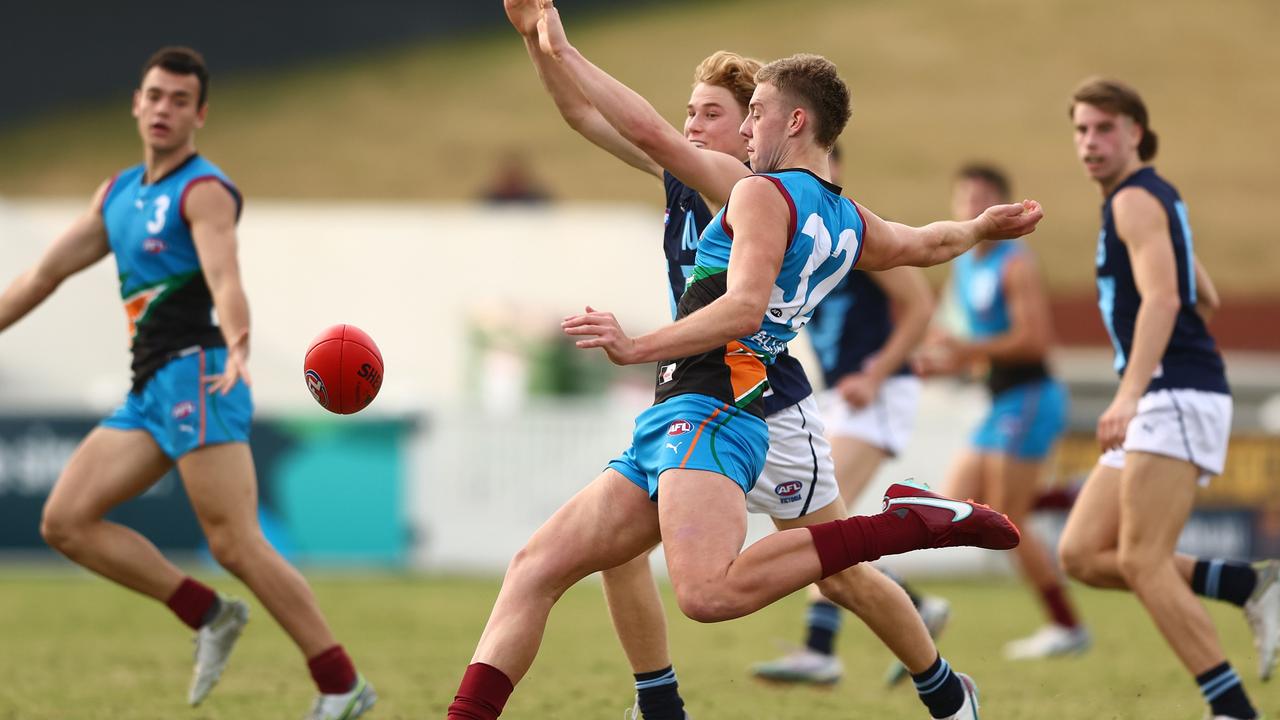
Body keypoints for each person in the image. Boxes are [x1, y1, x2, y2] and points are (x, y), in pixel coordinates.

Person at [444, 23, 1039, 720]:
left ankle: (917, 577)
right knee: (553, 565)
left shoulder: (753, 191)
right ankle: (661, 703)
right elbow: (920, 242)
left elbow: (742, 300)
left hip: (746, 397)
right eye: (694, 113)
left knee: (764, 585)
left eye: (729, 113)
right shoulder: (818, 206)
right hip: (696, 394)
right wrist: (976, 231)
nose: (692, 127)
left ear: (782, 121)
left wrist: (639, 346)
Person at [0, 47, 375, 720]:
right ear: (136, 104)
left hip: (200, 374)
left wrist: (238, 340)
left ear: (200, 114)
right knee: (65, 522)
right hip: (150, 389)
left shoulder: (202, 191)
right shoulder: (118, 195)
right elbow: (41, 276)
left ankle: (342, 683)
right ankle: (208, 614)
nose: (164, 108)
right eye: (155, 95)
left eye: (179, 99)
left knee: (236, 542)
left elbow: (225, 275)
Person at [1056, 77, 1279, 720]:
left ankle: (1232, 708)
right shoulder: (1147, 201)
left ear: (1135, 133)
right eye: (1081, 130)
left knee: (1142, 560)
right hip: (1169, 391)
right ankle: (1243, 583)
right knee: (1083, 554)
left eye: (1104, 128)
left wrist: (1128, 394)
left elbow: (1164, 297)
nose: (1090, 142)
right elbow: (1201, 295)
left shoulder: (1133, 200)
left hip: (1172, 393)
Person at [752, 145, 950, 686]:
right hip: (846, 394)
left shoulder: (847, 224)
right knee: (827, 531)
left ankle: (821, 650)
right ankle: (913, 606)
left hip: (879, 393)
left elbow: (920, 305)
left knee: (824, 531)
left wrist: (877, 373)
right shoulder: (790, 225)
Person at [915, 163, 1088, 660]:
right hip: (1001, 399)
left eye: (983, 198)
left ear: (1004, 208)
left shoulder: (1016, 263)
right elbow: (956, 341)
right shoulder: (965, 263)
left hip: (1030, 396)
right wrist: (937, 364)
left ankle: (1066, 625)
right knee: (957, 501)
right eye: (965, 198)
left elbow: (1034, 341)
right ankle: (1068, 496)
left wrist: (965, 352)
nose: (973, 207)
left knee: (1009, 515)